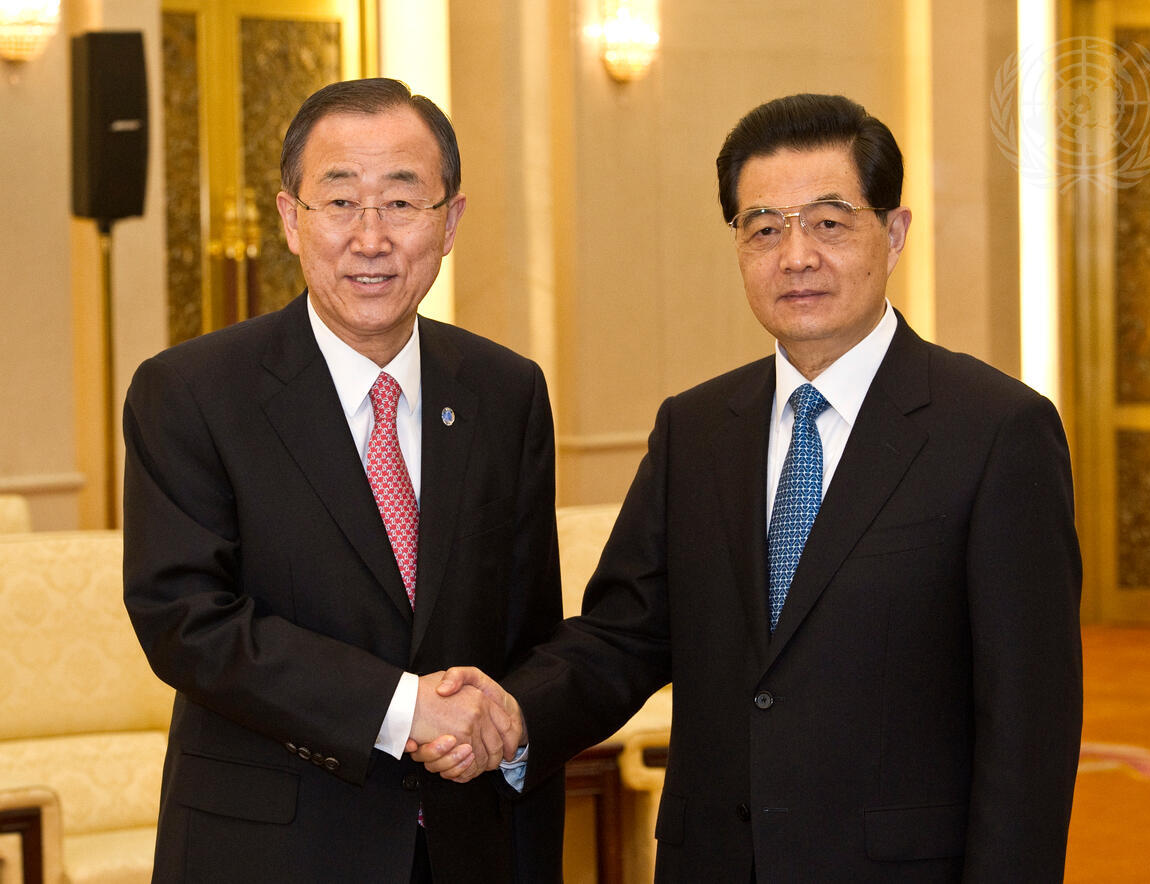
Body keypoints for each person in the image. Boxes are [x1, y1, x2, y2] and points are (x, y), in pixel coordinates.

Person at [418, 93, 1083, 881]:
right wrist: (514, 712)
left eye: (829, 223)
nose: (795, 256)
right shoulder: (696, 429)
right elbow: (625, 636)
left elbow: (1029, 725)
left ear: (895, 232)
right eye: (764, 228)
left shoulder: (996, 431)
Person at [122, 78, 564, 883]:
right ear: (291, 219)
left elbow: (526, 631)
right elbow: (186, 620)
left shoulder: (506, 392)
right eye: (339, 201)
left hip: (466, 846)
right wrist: (402, 709)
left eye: (401, 202)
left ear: (450, 222)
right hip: (271, 853)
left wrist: (507, 723)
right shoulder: (192, 393)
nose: (371, 237)